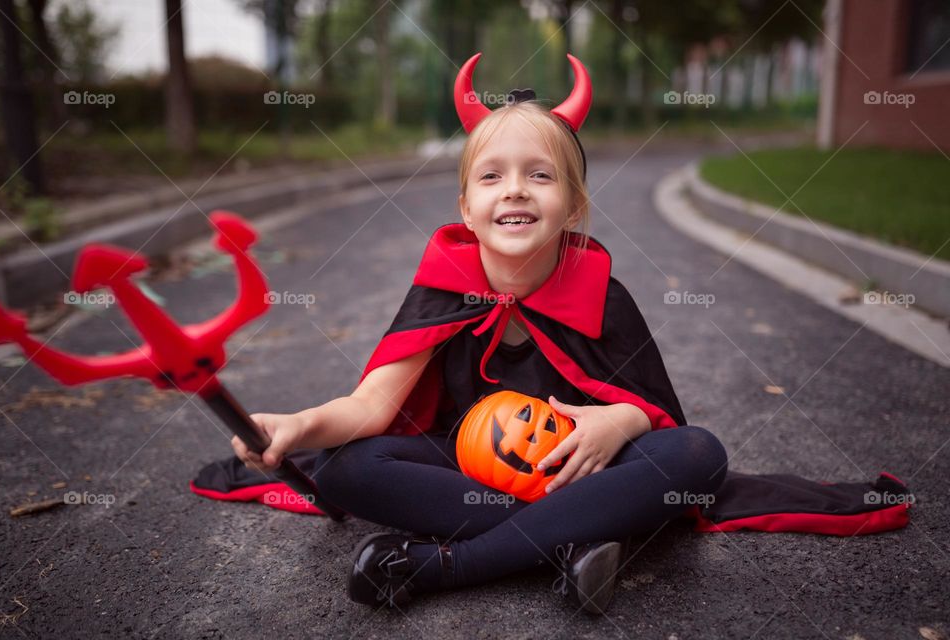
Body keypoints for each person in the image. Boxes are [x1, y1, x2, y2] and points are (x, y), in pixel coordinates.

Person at [230, 52, 728, 615]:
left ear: (573, 207)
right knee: (344, 466)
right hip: (470, 467)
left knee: (697, 455)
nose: (514, 190)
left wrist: (621, 421)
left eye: (540, 175)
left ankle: (452, 564)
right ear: (467, 210)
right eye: (492, 176)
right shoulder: (444, 291)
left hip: (582, 469)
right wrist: (297, 426)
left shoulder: (601, 295)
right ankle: (573, 539)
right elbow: (370, 405)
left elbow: (652, 407)